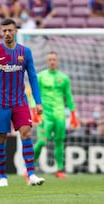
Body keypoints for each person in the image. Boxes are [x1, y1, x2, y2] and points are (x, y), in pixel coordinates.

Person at [0, 18, 45, 187]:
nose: (7, 33)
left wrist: (38, 102)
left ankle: (31, 174)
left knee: (27, 133)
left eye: (10, 30)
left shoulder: (25, 52)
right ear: (1, 32)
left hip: (19, 102)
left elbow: (32, 77)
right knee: (0, 138)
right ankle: (2, 176)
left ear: (16, 31)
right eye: (4, 31)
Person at [34, 51, 78, 179]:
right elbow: (34, 94)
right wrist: (34, 112)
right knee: (41, 142)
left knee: (59, 142)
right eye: (50, 59)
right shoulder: (40, 76)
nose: (52, 61)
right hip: (45, 115)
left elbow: (68, 97)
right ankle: (30, 168)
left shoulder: (64, 78)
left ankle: (59, 170)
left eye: (54, 59)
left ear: (57, 61)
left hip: (59, 114)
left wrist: (73, 114)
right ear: (47, 61)